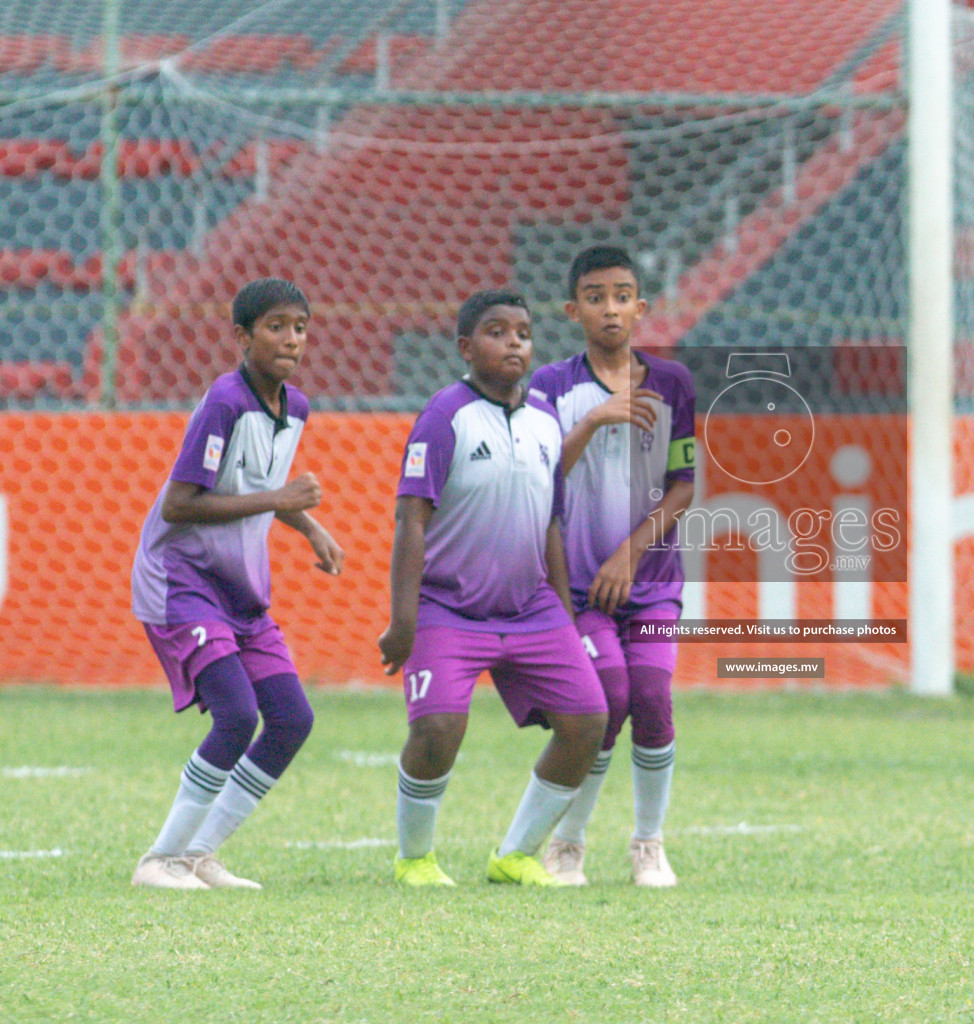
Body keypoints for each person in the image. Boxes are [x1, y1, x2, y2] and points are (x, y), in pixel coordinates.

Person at [380, 289, 608, 887]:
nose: (513, 343)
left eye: (523, 333)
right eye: (497, 332)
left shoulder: (544, 422)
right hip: (447, 608)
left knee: (588, 722)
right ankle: (415, 859)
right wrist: (404, 621)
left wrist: (564, 615)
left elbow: (552, 523)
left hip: (531, 608)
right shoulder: (444, 416)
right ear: (465, 346)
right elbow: (411, 518)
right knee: (437, 729)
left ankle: (515, 854)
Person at [130, 277, 343, 890]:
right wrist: (281, 498)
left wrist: (308, 528)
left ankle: (199, 853)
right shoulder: (224, 401)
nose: (291, 339)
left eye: (299, 327)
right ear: (242, 336)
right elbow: (180, 505)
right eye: (275, 326)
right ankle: (159, 860)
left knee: (291, 719)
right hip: (181, 578)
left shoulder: (294, 407)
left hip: (239, 590)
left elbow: (251, 484)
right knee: (235, 715)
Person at [528, 246, 696, 888]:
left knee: (652, 696)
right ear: (573, 310)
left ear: (642, 308)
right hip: (578, 588)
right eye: (595, 297)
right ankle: (567, 843)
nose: (611, 308)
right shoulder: (550, 387)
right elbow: (540, 477)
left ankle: (648, 844)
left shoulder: (673, 383)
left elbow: (685, 484)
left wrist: (630, 553)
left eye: (623, 295)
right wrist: (594, 420)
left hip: (650, 583)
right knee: (608, 701)